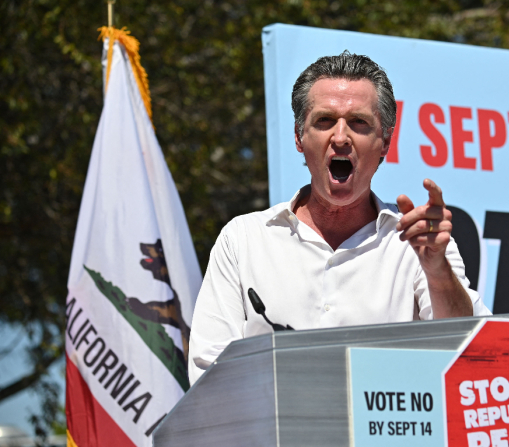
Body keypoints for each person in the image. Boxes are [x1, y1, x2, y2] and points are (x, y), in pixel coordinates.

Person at [188, 52, 490, 385]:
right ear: (299, 137)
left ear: (385, 141)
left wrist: (437, 271)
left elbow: (468, 353)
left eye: (359, 122)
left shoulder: (420, 242)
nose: (341, 136)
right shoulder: (243, 240)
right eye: (325, 120)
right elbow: (208, 373)